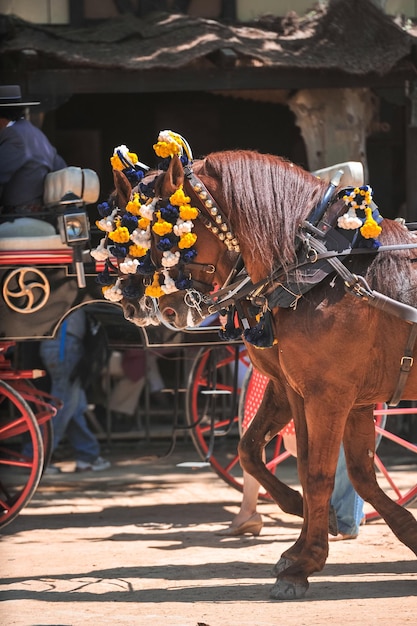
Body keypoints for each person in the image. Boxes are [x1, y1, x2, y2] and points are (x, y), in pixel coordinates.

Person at [216, 368, 364, 540]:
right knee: (255, 435)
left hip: (295, 363)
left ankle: (345, 515)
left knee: (300, 444)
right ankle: (248, 511)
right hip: (271, 361)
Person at [38, 308, 111, 474]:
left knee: (75, 405)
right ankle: (37, 455)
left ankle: (87, 456)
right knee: (63, 404)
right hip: (65, 344)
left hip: (60, 343)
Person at [0, 84, 66, 213]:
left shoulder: (12, 134)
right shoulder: (35, 133)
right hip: (43, 213)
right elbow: (61, 167)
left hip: (17, 215)